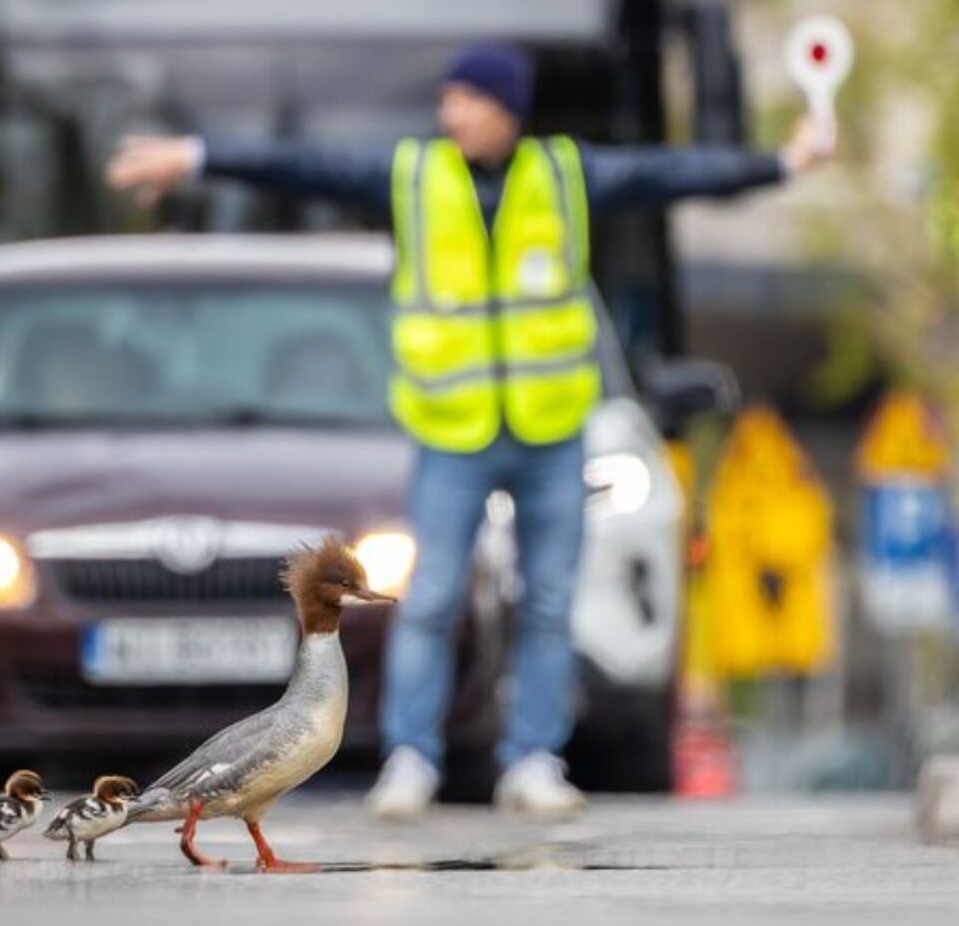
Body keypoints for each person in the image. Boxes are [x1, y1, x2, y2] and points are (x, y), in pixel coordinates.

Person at [106, 43, 833, 820]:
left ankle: (532, 761)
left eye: (466, 99)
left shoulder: (564, 174)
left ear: (505, 108)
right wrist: (196, 155)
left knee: (551, 601)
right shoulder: (417, 174)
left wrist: (783, 164)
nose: (449, 112)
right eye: (448, 98)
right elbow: (305, 166)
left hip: (553, 431)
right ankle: (412, 758)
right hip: (453, 433)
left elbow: (669, 174)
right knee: (429, 599)